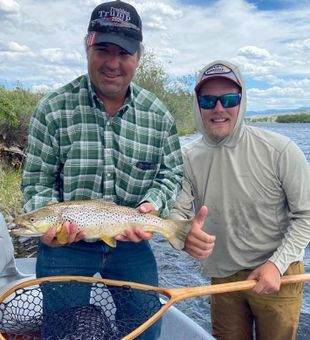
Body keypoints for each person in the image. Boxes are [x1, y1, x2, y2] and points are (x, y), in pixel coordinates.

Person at [21, 1, 184, 339]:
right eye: (104, 50)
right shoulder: (52, 110)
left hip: (131, 240)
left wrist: (155, 205)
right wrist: (49, 228)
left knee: (145, 326)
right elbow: (36, 183)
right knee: (63, 330)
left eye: (124, 53)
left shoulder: (158, 116)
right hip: (65, 249)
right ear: (87, 45)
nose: (113, 63)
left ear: (138, 57)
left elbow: (170, 174)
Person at [171, 60, 310, 340]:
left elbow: (306, 216)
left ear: (242, 101)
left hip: (279, 273)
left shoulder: (281, 151)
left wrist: (276, 264)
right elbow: (177, 213)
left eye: (229, 99)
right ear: (198, 104)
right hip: (222, 277)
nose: (219, 108)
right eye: (208, 100)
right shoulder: (185, 158)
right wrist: (183, 236)